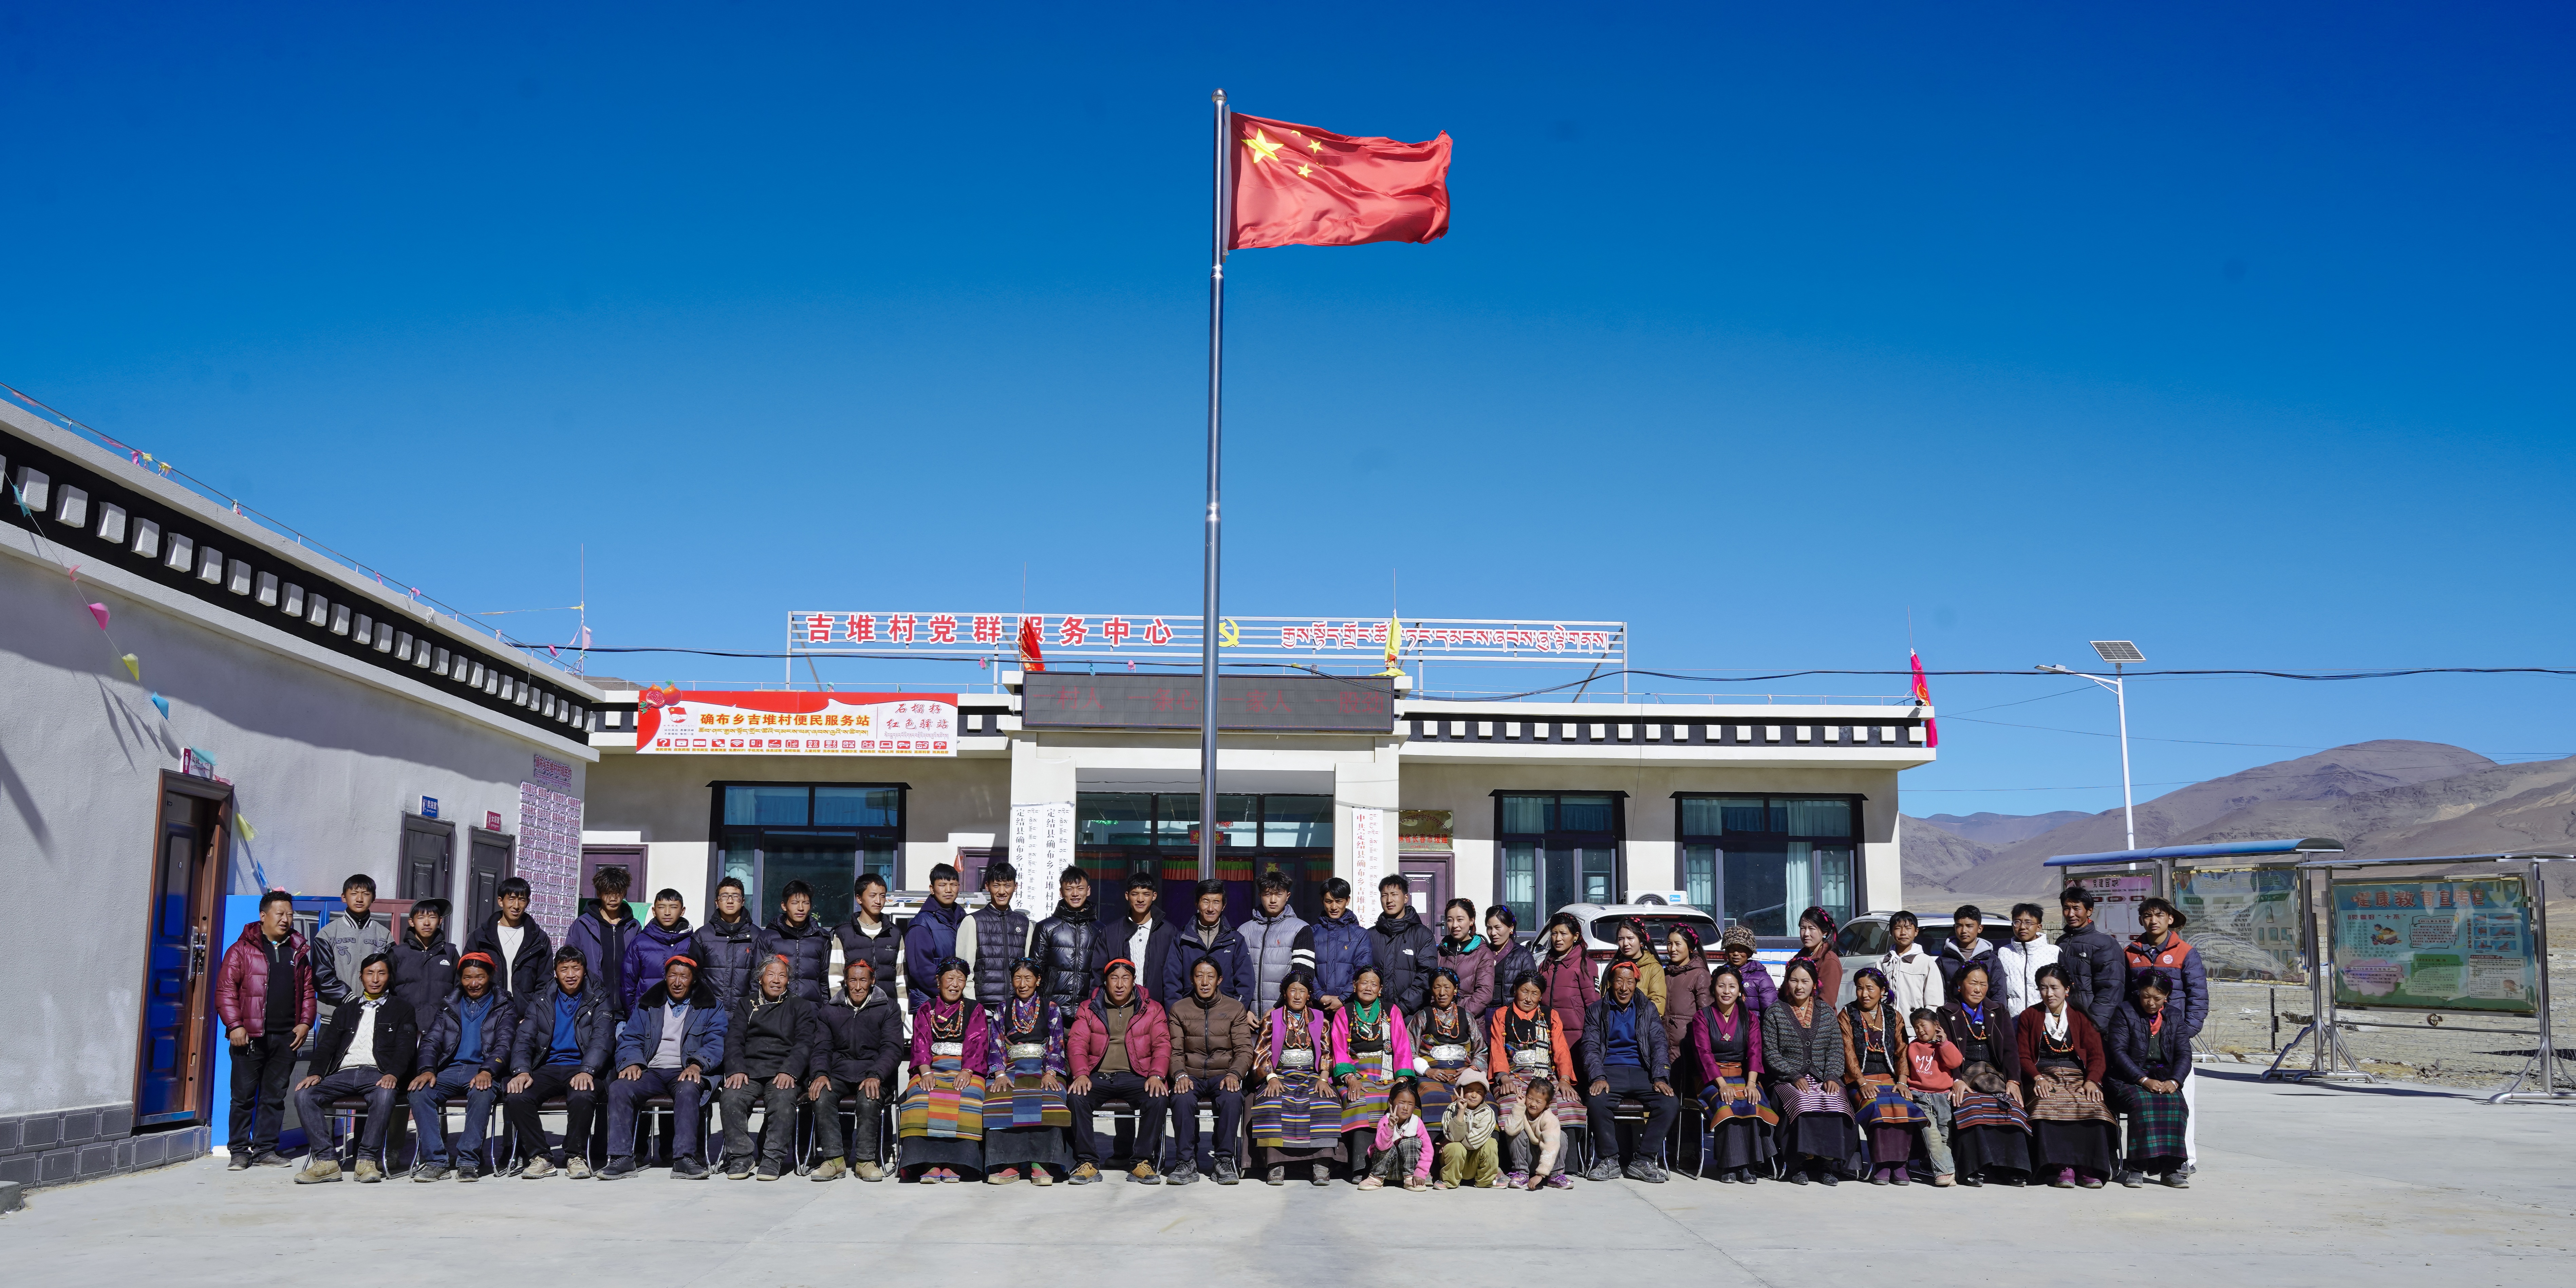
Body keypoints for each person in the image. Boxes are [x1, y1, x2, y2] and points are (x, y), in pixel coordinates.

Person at [291, 952, 414, 1184]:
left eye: (381, 973)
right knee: (304, 1094)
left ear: (389, 977)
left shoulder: (402, 1009)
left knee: (386, 1094)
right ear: (361, 977)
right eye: (370, 973)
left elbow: (405, 1048)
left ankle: (366, 1160)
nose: (375, 979)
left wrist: (393, 1073)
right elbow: (326, 1047)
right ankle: (327, 1161)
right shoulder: (344, 1011)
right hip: (344, 1073)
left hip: (378, 1074)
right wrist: (315, 1073)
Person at [600, 956, 724, 1180]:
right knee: (620, 1087)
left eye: (684, 977)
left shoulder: (711, 1006)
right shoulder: (649, 1004)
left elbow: (717, 1042)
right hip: (652, 1070)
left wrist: (697, 1064)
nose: (678, 982)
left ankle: (684, 1159)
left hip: (686, 1069)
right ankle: (622, 1158)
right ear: (665, 978)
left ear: (694, 980)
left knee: (689, 1089)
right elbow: (630, 1038)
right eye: (672, 975)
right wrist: (633, 1062)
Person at [216, 890, 314, 1170]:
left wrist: (306, 1022)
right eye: (280, 914)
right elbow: (225, 991)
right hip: (249, 1036)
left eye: (290, 914)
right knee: (244, 1096)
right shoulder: (241, 950)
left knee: (275, 1096)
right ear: (263, 916)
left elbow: (308, 991)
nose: (286, 919)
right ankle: (239, 1151)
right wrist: (235, 1025)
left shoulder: (299, 949)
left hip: (286, 1037)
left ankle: (265, 1150)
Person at [501, 946, 617, 1180]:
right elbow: (525, 1037)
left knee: (583, 1094)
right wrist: (522, 1070)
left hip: (584, 1065)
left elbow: (602, 1038)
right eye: (565, 969)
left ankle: (575, 1155)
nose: (571, 974)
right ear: (556, 972)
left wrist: (588, 1069)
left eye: (576, 968)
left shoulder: (599, 997)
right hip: (548, 1066)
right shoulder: (542, 999)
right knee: (516, 1094)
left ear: (585, 971)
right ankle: (541, 1156)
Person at [406, 953, 519, 1181]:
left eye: (480, 977)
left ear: (490, 977)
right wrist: (427, 1069)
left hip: (483, 1069)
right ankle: (435, 1160)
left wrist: (488, 1070)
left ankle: (469, 1160)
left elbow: (505, 1043)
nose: (474, 983)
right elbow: (431, 1040)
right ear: (461, 978)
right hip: (449, 1070)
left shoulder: (505, 1005)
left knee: (482, 1091)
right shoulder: (449, 1004)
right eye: (468, 977)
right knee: (419, 1092)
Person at [1065, 958, 1171, 1183]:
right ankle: (1088, 1162)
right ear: (1106, 981)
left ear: (1134, 981)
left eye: (1126, 978)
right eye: (1114, 978)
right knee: (1076, 1096)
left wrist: (1156, 1074)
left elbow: (1162, 1043)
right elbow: (1077, 1042)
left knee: (1158, 1096)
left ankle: (1142, 1161)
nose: (1120, 984)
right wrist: (1082, 1073)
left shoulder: (1152, 1008)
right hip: (1098, 1075)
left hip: (1137, 1075)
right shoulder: (1089, 1007)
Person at [2126, 896, 2209, 1172]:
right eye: (2148, 915)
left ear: (2170, 918)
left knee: (2183, 1100)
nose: (2153, 920)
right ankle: (2146, 1158)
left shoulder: (2186, 952)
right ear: (2141, 920)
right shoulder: (2131, 953)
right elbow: (2126, 996)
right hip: (2140, 1041)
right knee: (2145, 1101)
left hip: (2175, 1041)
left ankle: (2186, 1159)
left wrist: (2184, 1034)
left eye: (2159, 915)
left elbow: (2198, 998)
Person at [2017, 963, 2118, 1189]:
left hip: (2077, 1075)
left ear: (2067, 990)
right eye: (2043, 988)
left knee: (2092, 1104)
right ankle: (2062, 1166)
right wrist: (2037, 1078)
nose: (2049, 993)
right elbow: (2023, 1055)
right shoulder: (2030, 1016)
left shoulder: (2080, 1017)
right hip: (2043, 1074)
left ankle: (2088, 1166)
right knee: (2048, 1102)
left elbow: (2097, 1055)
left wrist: (2092, 1081)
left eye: (2054, 987)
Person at [1762, 957, 1860, 1185]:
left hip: (1823, 1076)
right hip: (1787, 1078)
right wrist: (1794, 1076)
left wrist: (1832, 1076)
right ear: (1787, 982)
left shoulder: (1826, 1012)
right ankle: (1799, 1165)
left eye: (1805, 981)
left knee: (1837, 1101)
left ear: (1814, 984)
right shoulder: (1775, 1012)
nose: (1799, 986)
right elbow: (1771, 1053)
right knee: (1803, 1103)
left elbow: (1836, 1048)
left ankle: (1826, 1164)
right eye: (1794, 980)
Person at [717, 957, 814, 1180]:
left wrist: (790, 1070)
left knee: (782, 1100)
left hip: (783, 1070)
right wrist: (736, 1069)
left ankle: (772, 1158)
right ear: (761, 979)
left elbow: (805, 1042)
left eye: (782, 976)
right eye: (771, 975)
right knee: (731, 1097)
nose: (777, 980)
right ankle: (741, 1156)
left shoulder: (800, 1005)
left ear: (788, 980)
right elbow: (734, 1039)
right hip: (749, 1069)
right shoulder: (746, 1004)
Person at [806, 955, 901, 1183]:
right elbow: (821, 1048)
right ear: (845, 982)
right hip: (839, 1072)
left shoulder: (888, 1007)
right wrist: (819, 1073)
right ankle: (834, 1160)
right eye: (852, 980)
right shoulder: (830, 1010)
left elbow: (893, 1048)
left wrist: (877, 1074)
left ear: (873, 981)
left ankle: (865, 1161)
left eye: (863, 980)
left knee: (869, 1098)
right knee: (821, 1094)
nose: (858, 986)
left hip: (875, 1073)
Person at [1580, 960, 1677, 1182]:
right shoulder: (1596, 1009)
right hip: (1610, 1071)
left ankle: (1643, 1159)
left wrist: (1661, 1077)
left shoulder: (1648, 1009)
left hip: (1642, 1070)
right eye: (1619, 981)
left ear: (1637, 984)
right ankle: (1609, 1160)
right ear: (1611, 984)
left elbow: (1659, 1044)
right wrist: (1598, 1076)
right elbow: (1590, 1046)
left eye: (1630, 982)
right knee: (1596, 1100)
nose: (1624, 987)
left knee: (1669, 1102)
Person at [981, 957, 1073, 1185]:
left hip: (1043, 1068)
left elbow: (1057, 1043)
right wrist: (999, 1073)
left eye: (1028, 978)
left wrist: (1051, 1072)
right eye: (1018, 978)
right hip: (1011, 1068)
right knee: (999, 1097)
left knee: (1050, 1097)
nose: (1023, 984)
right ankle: (1008, 1164)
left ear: (1038, 980)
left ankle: (1041, 1164)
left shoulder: (1051, 1008)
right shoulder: (1002, 1009)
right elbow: (996, 1044)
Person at [1939, 960, 2032, 1186]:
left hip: (1994, 1075)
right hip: (1964, 1074)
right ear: (1960, 985)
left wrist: (2013, 1080)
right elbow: (1941, 1051)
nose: (1979, 989)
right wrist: (1957, 1080)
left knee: (2012, 1106)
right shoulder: (1947, 1012)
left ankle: (2012, 1167)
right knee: (1970, 1106)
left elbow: (2010, 1049)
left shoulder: (1998, 1010)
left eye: (1983, 984)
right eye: (1973, 983)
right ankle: (1974, 1167)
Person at [898, 957, 991, 1182]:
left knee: (969, 1099)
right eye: (950, 978)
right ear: (939, 980)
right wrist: (926, 1071)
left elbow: (978, 1043)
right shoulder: (926, 1009)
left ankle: (956, 1163)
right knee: (920, 1098)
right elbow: (920, 1042)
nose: (955, 984)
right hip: (931, 1067)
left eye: (961, 979)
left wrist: (967, 1071)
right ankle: (928, 1163)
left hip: (965, 1068)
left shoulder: (975, 1009)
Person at [1487, 970, 1586, 1179]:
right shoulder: (1502, 1015)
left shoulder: (1551, 1015)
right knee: (1510, 1103)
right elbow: (1497, 1048)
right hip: (1514, 1075)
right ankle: (1517, 1166)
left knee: (1568, 1102)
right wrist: (1503, 1077)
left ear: (1541, 996)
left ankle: (1563, 1168)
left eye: (1535, 994)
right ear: (1515, 990)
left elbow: (1561, 1050)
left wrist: (1565, 1079)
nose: (1529, 998)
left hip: (1544, 1076)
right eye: (1524, 991)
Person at [1249, 968, 1343, 1186]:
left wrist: (1324, 1078)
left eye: (1303, 991)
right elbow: (1262, 1052)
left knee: (1326, 1102)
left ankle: (1322, 1164)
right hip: (1280, 1074)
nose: (1298, 996)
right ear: (1285, 993)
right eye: (1293, 991)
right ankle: (1275, 1165)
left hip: (1312, 1075)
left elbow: (1328, 1052)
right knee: (1271, 1101)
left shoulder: (1321, 1019)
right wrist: (1271, 1077)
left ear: (1309, 995)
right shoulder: (1272, 1019)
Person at [1165, 954, 1254, 1184]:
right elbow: (1174, 1051)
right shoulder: (1179, 1008)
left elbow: (1244, 1049)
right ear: (1192, 980)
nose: (1205, 982)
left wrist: (1235, 1073)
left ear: (1219, 980)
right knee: (1181, 1097)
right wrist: (1180, 1074)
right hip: (1191, 1074)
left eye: (1210, 977)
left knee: (1233, 1097)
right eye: (1199, 976)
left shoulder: (1235, 1008)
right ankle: (1186, 1162)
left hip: (1223, 1074)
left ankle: (1223, 1160)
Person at [1839, 967, 1929, 1186]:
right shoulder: (1847, 1014)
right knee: (1876, 1105)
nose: (1864, 994)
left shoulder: (1893, 1015)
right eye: (1860, 988)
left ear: (1882, 991)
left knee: (1904, 1104)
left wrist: (1903, 1081)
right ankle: (1882, 1164)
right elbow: (1848, 1052)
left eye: (1870, 988)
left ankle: (1900, 1164)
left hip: (1890, 1079)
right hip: (1860, 1080)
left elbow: (1902, 1052)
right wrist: (1861, 1082)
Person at [2105, 973, 2194, 1188]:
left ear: (2167, 997)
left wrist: (2175, 1081)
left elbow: (2184, 1054)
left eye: (2158, 998)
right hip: (2127, 1079)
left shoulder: (2174, 1016)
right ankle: (2136, 1168)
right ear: (2139, 993)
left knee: (2178, 1105)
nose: (2151, 1003)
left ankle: (2171, 1169)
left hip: (2164, 1077)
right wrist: (2143, 1079)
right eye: (2146, 996)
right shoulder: (2125, 1012)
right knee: (2144, 1105)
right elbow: (2118, 1052)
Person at [1330, 963, 1419, 1179]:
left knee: (1400, 1101)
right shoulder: (1344, 1013)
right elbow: (1339, 1048)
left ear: (1381, 990)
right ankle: (1361, 1166)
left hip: (1387, 1073)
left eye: (1374, 984)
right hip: (1357, 1073)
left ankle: (1400, 1166)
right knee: (1359, 1099)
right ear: (1354, 986)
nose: (1368, 988)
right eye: (1364, 983)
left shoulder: (1391, 1011)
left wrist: (1403, 1079)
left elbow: (1402, 1046)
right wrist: (1350, 1078)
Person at [1687, 965, 1775, 1183]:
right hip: (1712, 1079)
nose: (1726, 991)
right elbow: (1704, 1053)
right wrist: (1722, 1085)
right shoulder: (1702, 1017)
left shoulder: (1750, 1018)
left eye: (1732, 987)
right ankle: (1729, 1165)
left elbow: (1755, 1051)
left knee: (1751, 1100)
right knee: (1726, 1103)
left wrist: (1752, 1083)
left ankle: (1749, 1165)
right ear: (1713, 989)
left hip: (1743, 1077)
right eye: (1721, 986)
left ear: (1740, 991)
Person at [311, 873, 394, 1029]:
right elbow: (321, 977)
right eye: (354, 894)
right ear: (344, 898)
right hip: (335, 1018)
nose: (360, 899)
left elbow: (392, 976)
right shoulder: (328, 934)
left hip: (374, 1017)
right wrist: (350, 999)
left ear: (374, 898)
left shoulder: (385, 936)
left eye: (366, 894)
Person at [955, 861, 1036, 1012]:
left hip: (1017, 1009)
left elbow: (1028, 969)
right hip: (984, 1010)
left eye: (1007, 885)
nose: (1002, 892)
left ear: (1016, 887)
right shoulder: (973, 921)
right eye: (996, 885)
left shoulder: (1025, 924)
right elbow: (964, 970)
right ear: (987, 887)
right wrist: (973, 1007)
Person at [1408, 967, 1487, 1122]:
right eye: (1437, 987)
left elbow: (1481, 1050)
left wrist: (1470, 1070)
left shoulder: (1467, 1017)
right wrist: (1427, 1071)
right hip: (1432, 1076)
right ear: (1432, 990)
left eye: (1447, 987)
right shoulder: (1422, 1016)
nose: (1442, 993)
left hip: (1464, 1075)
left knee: (1484, 1100)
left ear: (1455, 990)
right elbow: (1409, 1050)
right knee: (1431, 1095)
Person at [465, 876, 555, 1005]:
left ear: (528, 903)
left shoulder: (539, 939)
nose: (516, 906)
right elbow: (466, 975)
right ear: (501, 902)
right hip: (487, 1011)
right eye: (511, 899)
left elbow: (545, 983)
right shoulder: (481, 936)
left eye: (522, 900)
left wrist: (532, 1016)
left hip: (524, 1016)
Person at [565, 868, 641, 1016]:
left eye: (618, 893)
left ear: (624, 893)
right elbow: (569, 962)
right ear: (599, 894)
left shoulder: (634, 926)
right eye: (607, 893)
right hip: (592, 1006)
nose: (613, 899)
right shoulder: (583, 925)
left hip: (627, 1009)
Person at [1165, 877, 1251, 1004]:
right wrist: (1177, 1015)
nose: (1211, 909)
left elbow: (1246, 982)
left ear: (1223, 906)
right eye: (1206, 902)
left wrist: (1236, 1012)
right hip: (1189, 1013)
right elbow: (1171, 982)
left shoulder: (1235, 940)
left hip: (1225, 1014)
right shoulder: (1182, 939)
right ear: (1197, 904)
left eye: (1216, 902)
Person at [1903, 1007, 1963, 1187]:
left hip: (1943, 1097)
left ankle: (1946, 1169)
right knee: (1932, 1134)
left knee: (1945, 1135)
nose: (1920, 1031)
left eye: (1923, 1026)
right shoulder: (1912, 1047)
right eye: (1916, 1028)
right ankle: (1944, 1172)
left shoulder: (1944, 1046)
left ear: (1936, 1025)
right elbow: (1905, 1070)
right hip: (1920, 1097)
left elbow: (1955, 1063)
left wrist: (1944, 1043)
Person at [1238, 868, 1309, 1016]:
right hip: (1246, 1017)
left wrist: (1279, 1009)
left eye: (1278, 894)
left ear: (1288, 896)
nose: (1273, 900)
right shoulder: (1244, 930)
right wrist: (1243, 1009)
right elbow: (1235, 974)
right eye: (1268, 894)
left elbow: (1303, 974)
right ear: (1260, 896)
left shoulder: (1300, 928)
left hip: (1284, 1015)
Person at [1294, 877, 1371, 1014]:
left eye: (1339, 901)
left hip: (1350, 1008)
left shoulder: (1360, 935)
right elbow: (1306, 970)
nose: (1334, 907)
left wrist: (1342, 999)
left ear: (1348, 900)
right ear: (1322, 901)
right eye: (1329, 901)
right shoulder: (1312, 933)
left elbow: (1362, 971)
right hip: (1317, 1009)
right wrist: (1320, 996)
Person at [2057, 886, 2127, 1034]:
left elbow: (2111, 990)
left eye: (2077, 908)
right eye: (2066, 908)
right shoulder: (2060, 943)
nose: (2071, 914)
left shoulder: (2105, 944)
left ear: (2089, 911)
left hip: (2090, 1027)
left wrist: (2092, 1027)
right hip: (2063, 1024)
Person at [1034, 867, 1105, 1010]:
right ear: (1061, 892)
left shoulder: (1101, 930)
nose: (1075, 894)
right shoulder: (1046, 927)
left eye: (1080, 889)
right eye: (1069, 889)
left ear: (1088, 891)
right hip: (1052, 1009)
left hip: (1089, 1010)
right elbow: (1035, 970)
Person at [1369, 874, 1438, 1015]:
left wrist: (1402, 1008)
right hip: (1374, 1014)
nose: (1389, 900)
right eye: (1384, 895)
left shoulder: (1422, 935)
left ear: (1406, 898)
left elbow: (1426, 977)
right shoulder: (1370, 935)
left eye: (1394, 894)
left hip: (1411, 1015)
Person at [692, 876, 764, 1007]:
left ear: (743, 901)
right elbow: (694, 976)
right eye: (725, 896)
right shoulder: (702, 936)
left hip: (745, 1012)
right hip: (710, 1011)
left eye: (735, 896)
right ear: (717, 902)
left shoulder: (757, 936)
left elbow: (759, 977)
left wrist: (752, 1008)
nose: (730, 901)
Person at [831, 872, 903, 1004]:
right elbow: (835, 978)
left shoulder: (895, 934)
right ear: (859, 898)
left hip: (888, 1012)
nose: (878, 901)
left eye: (882, 896)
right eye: (873, 896)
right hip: (853, 1011)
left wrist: (901, 1013)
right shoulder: (843, 933)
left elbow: (901, 980)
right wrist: (843, 1010)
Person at [1660, 925, 1715, 1097]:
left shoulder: (1700, 975)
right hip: (1663, 1047)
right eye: (1670, 944)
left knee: (1685, 1095)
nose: (1673, 949)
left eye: (1678, 944)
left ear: (1691, 948)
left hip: (1687, 1048)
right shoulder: (1665, 973)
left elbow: (1706, 1015)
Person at [1110, 871, 1179, 1004]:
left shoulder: (1169, 932)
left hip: (1157, 1009)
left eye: (1146, 894)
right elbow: (1099, 975)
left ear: (1154, 896)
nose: (1140, 900)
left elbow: (1175, 978)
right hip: (1120, 1008)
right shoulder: (1111, 933)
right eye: (1135, 894)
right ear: (1127, 896)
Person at [623, 889, 697, 1013]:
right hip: (646, 1012)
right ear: (654, 911)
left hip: (683, 1013)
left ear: (682, 911)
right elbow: (628, 983)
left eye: (673, 907)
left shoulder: (692, 942)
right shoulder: (640, 943)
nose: (667, 913)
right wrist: (633, 1014)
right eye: (662, 907)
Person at [386, 898, 458, 1023]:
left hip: (442, 1025)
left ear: (440, 921)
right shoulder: (398, 953)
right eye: (421, 918)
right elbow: (388, 991)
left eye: (432, 917)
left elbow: (460, 988)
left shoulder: (450, 952)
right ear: (411, 922)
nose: (427, 923)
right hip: (405, 1024)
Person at [762, 880, 833, 1003]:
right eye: (795, 903)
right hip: (776, 1010)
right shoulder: (769, 937)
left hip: (812, 1010)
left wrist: (826, 1011)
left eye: (805, 903)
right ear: (784, 906)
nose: (801, 908)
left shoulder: (821, 938)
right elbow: (757, 978)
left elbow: (826, 980)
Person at [1357, 1080, 1433, 1192]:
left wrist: (1421, 1172)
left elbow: (1428, 1150)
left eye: (1410, 1104)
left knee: (1410, 1142)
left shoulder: (1417, 1123)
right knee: (1388, 1146)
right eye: (1402, 1103)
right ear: (1391, 1103)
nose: (1406, 1108)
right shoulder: (1385, 1121)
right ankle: (1376, 1179)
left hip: (1409, 1173)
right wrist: (1390, 1127)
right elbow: (1382, 1146)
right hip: (1386, 1170)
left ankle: (1410, 1180)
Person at [1435, 1070, 1501, 1189]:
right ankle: (1449, 1181)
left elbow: (1473, 1142)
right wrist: (1461, 1111)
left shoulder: (1488, 1113)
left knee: (1491, 1143)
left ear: (1485, 1095)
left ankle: (1485, 1181)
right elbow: (1453, 1138)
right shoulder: (1451, 1109)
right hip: (1454, 1162)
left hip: (1474, 1164)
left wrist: (1453, 1140)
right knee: (1455, 1147)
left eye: (1479, 1092)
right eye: (1470, 1091)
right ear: (1461, 1091)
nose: (1474, 1095)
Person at [1534, 913, 1600, 1029]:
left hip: (1576, 1039)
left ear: (1575, 936)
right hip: (1548, 1036)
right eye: (1554, 934)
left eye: (1564, 934)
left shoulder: (1585, 965)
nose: (1558, 939)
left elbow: (1594, 1007)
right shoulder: (1545, 965)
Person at [1504, 1076, 1568, 1190]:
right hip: (1527, 1159)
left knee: (1561, 1136)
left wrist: (1541, 1175)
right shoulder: (1522, 1110)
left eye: (1538, 1102)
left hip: (1547, 1162)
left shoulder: (1549, 1119)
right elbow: (1510, 1130)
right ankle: (1521, 1173)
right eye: (1530, 1098)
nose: (1533, 1104)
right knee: (1516, 1133)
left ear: (1547, 1104)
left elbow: (1550, 1147)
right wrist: (1519, 1106)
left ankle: (1556, 1175)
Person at [1434, 898, 1496, 1019]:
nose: (1455, 925)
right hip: (1438, 1020)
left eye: (1460, 920)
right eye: (1450, 920)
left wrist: (1458, 1015)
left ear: (1471, 921)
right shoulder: (1441, 951)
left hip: (1469, 1022)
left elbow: (1485, 993)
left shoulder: (1483, 953)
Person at [1996, 902, 2060, 1015]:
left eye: (2028, 922)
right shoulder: (2004, 953)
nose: (2022, 927)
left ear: (2039, 927)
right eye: (2017, 922)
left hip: (2046, 1019)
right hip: (2013, 1021)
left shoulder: (2054, 953)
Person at [1876, 911, 1942, 1021]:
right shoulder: (1883, 963)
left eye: (1908, 928)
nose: (1903, 933)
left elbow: (1934, 1002)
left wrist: (1925, 1025)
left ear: (1916, 932)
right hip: (1888, 1026)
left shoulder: (1926, 962)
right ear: (1891, 932)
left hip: (1915, 1028)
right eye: (1898, 928)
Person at [1597, 918, 1667, 1017]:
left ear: (1641, 942)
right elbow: (1603, 999)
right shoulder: (1615, 967)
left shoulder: (1654, 968)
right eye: (1621, 939)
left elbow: (1657, 1003)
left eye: (1630, 938)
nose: (1625, 943)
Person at [1480, 905, 1536, 1017]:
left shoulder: (1522, 955)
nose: (1493, 933)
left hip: (1510, 1013)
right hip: (1483, 1013)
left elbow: (1531, 988)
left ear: (1511, 928)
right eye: (1489, 928)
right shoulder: (1482, 952)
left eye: (1498, 928)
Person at [1935, 904, 1998, 995]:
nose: (1964, 931)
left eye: (1969, 926)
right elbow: (1939, 992)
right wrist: (1949, 1009)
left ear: (1980, 929)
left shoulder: (1991, 960)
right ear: (1955, 927)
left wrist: (1993, 1010)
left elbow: (1999, 992)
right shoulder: (1944, 960)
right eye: (1960, 926)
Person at [1789, 907, 1844, 1007]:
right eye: (1803, 928)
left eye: (1812, 929)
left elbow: (1826, 1003)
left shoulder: (1829, 960)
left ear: (1825, 932)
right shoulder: (1799, 958)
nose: (1806, 934)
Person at [1719, 925, 1778, 1013]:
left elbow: (1770, 1010)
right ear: (1726, 952)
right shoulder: (1719, 975)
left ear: (1749, 953)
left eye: (1741, 949)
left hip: (1753, 1027)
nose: (1736, 953)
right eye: (1732, 949)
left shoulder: (1761, 978)